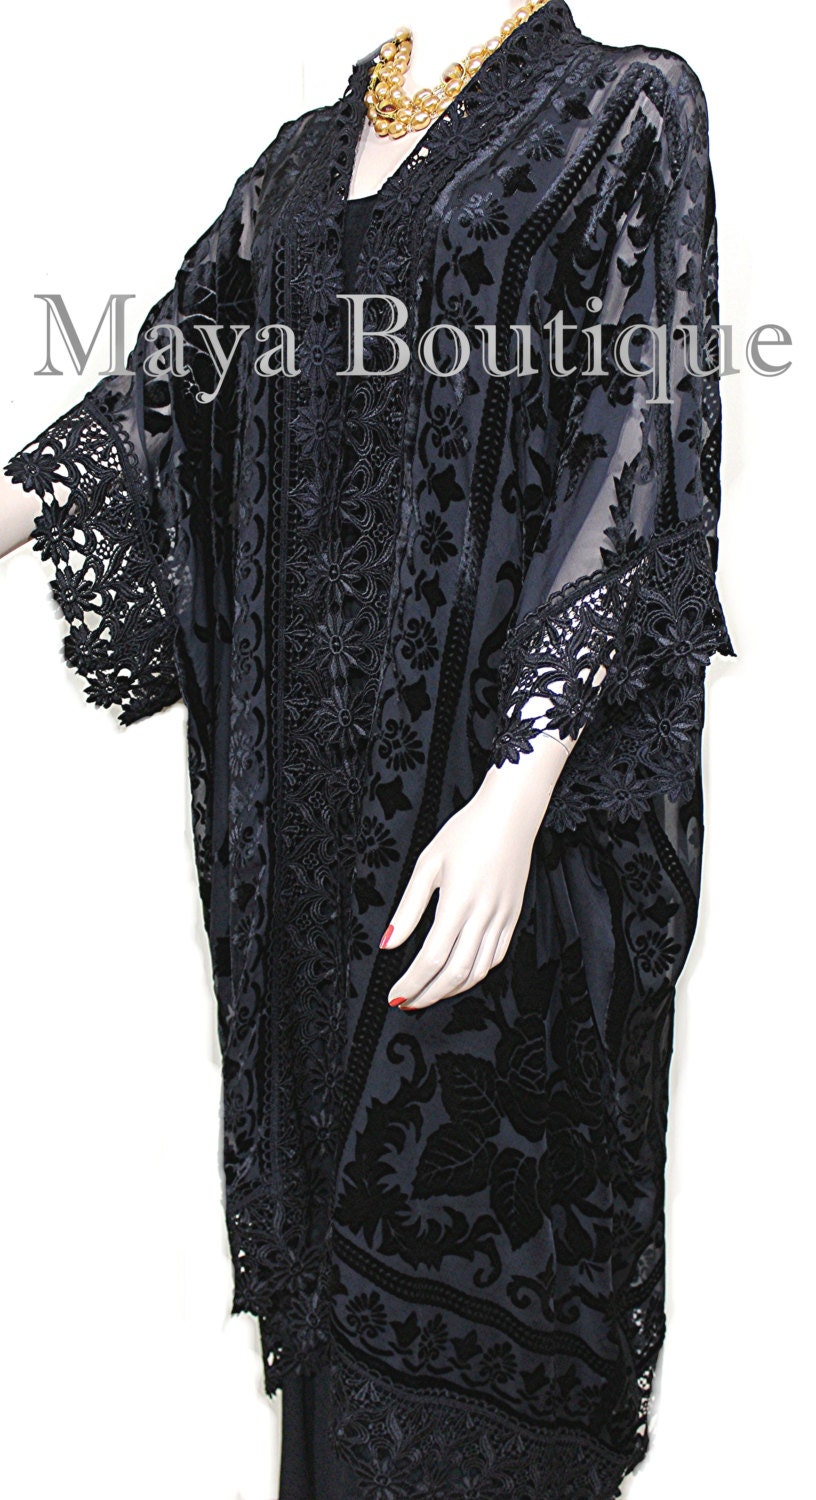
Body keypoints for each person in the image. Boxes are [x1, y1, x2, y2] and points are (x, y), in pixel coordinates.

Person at [0, 3, 735, 1496]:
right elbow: (159, 397)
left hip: (506, 839)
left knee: (482, 1315)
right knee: (337, 1352)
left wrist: (515, 795)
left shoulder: (623, 109)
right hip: (307, 866)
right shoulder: (298, 163)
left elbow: (640, 436)